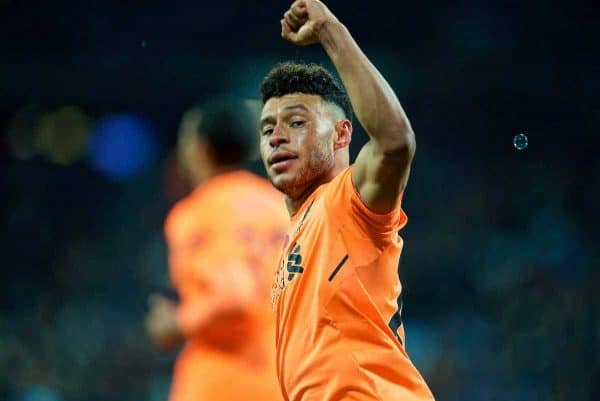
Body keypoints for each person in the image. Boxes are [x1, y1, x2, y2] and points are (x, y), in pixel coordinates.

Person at [259, 1, 435, 400]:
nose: (276, 137)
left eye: (297, 122)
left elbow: (395, 143)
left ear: (340, 136)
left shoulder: (348, 201)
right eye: (268, 127)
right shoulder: (300, 231)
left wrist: (330, 31)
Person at [145, 96, 288, 401]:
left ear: (200, 149)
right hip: (283, 381)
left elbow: (235, 294)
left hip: (221, 383)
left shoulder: (196, 214)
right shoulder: (281, 208)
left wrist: (178, 322)